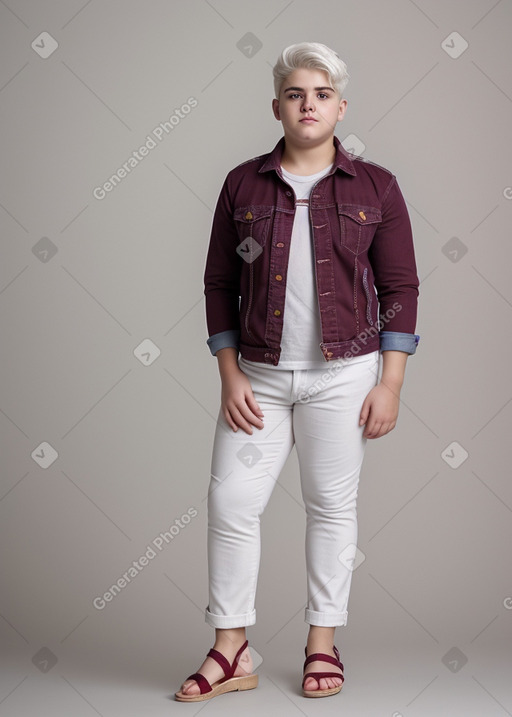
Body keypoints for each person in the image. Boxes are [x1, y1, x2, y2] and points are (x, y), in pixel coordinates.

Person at [175, 41, 420, 702]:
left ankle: (322, 643)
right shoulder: (243, 184)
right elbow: (218, 283)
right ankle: (232, 648)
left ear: (341, 107)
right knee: (231, 502)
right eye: (295, 93)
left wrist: (390, 382)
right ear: (277, 106)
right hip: (257, 373)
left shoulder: (377, 187)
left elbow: (400, 287)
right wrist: (229, 374)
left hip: (346, 375)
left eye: (321, 94)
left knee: (331, 506)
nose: (308, 105)